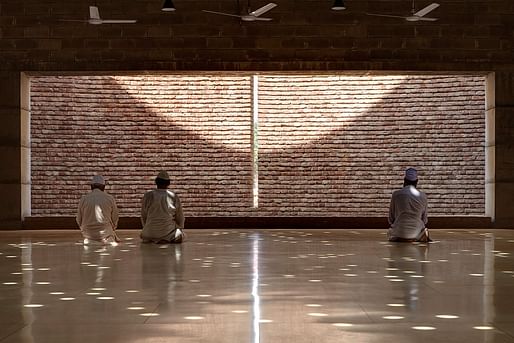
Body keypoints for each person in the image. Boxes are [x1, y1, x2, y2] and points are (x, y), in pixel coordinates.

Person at [141, 171, 185, 244]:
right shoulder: (173, 196)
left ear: (156, 182)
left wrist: (146, 227)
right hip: (168, 233)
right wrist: (179, 228)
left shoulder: (147, 195)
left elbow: (143, 216)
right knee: (181, 235)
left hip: (148, 233)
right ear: (168, 183)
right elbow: (180, 217)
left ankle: (152, 239)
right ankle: (165, 239)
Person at [388, 167, 431, 243]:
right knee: (424, 230)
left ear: (404, 181)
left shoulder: (396, 194)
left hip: (398, 233)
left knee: (391, 231)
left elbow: (391, 219)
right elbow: (424, 220)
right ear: (417, 181)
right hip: (416, 234)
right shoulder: (423, 196)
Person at [76, 175, 120, 246]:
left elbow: (78, 220)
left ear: (91, 186)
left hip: (88, 234)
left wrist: (84, 229)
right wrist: (112, 229)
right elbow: (115, 218)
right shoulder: (110, 198)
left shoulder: (83, 199)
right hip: (106, 233)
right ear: (103, 187)